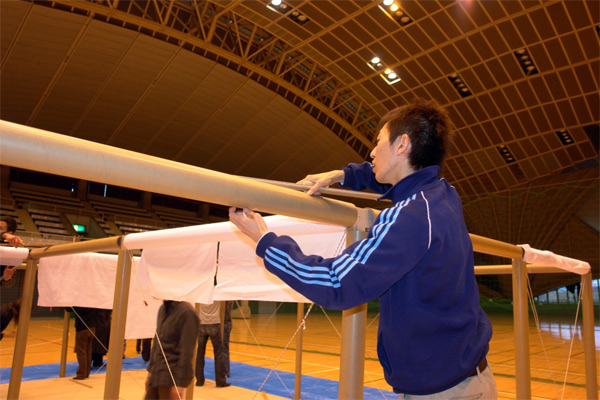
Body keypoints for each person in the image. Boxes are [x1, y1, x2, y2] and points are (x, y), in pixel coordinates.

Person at [229, 98, 498, 398]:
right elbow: (390, 179)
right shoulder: (442, 193)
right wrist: (342, 175)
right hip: (468, 378)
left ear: (401, 145)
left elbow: (337, 282)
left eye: (378, 141)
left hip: (444, 392)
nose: (371, 151)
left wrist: (266, 241)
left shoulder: (409, 217)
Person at [145, 300, 199, 400]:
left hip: (170, 378)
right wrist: (150, 372)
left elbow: (186, 352)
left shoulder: (187, 313)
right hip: (156, 375)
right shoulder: (162, 309)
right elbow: (157, 343)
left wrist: (179, 384)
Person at [195, 302, 230, 387]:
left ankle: (199, 381)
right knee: (218, 355)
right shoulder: (216, 293)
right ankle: (220, 381)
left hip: (202, 324)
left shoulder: (202, 294)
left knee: (200, 354)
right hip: (214, 324)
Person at [71, 307, 101, 380]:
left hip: (82, 329)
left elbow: (69, 309)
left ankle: (81, 374)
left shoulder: (80, 304)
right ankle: (86, 373)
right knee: (88, 351)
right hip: (92, 328)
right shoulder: (91, 302)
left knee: (81, 352)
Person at [222, 301, 233, 377]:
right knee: (223, 348)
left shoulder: (227, 299)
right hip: (225, 322)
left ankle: (225, 371)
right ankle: (224, 370)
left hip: (225, 322)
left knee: (224, 348)